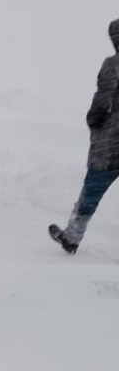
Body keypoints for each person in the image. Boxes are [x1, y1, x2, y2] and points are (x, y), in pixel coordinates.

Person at [48, 19, 119, 254]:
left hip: (111, 142)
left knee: (92, 190)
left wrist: (93, 120)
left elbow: (103, 100)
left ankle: (72, 237)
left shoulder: (113, 65)